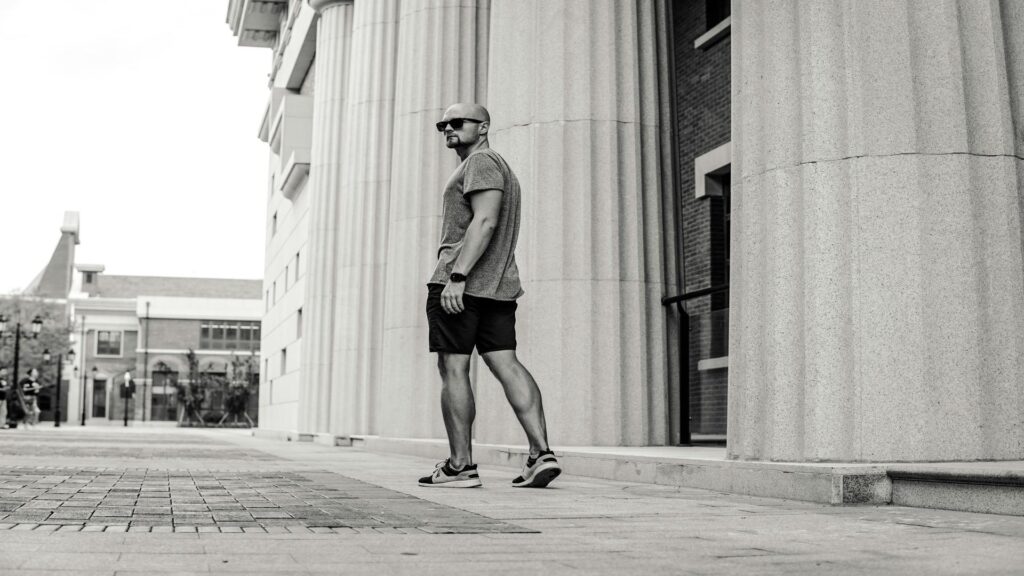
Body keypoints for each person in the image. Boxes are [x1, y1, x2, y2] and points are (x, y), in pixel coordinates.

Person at [419, 103, 561, 489]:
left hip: (462, 288)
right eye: (442, 123)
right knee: (507, 364)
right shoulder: (498, 167)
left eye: (457, 122)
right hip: (498, 288)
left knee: (454, 369)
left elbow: (485, 220)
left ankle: (460, 466)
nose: (448, 127)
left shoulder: (480, 163)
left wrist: (457, 275)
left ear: (482, 127)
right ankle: (540, 453)